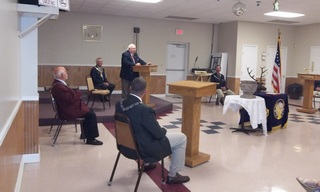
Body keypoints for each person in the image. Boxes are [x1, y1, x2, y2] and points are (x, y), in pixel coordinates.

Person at [115, 77, 190, 184]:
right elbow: (159, 134)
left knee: (142, 131)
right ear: (145, 92)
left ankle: (146, 165)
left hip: (125, 146)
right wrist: (164, 130)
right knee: (181, 138)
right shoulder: (145, 110)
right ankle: (173, 175)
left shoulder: (119, 104)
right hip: (142, 150)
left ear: (130, 88)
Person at [51, 66, 103, 145]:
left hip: (66, 108)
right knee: (91, 114)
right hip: (67, 111)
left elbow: (68, 97)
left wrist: (75, 94)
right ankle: (91, 139)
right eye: (65, 72)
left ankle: (85, 134)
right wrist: (78, 93)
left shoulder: (57, 84)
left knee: (89, 110)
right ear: (62, 75)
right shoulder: (59, 87)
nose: (67, 74)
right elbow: (70, 99)